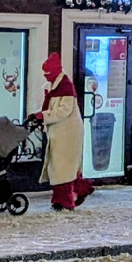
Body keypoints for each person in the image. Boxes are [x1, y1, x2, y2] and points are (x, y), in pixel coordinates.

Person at [34, 53, 93, 212]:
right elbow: (49, 108)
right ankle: (79, 189)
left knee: (62, 167)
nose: (45, 76)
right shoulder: (52, 87)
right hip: (59, 132)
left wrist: (43, 116)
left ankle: (64, 200)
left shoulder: (65, 87)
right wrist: (38, 114)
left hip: (68, 133)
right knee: (63, 167)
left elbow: (64, 111)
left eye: (47, 73)